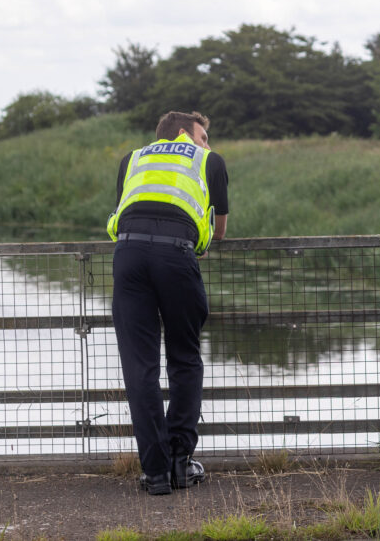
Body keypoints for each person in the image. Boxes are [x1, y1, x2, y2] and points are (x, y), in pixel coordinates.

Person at [106, 110, 229, 496]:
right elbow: (218, 231)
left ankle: (155, 473)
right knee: (185, 357)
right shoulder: (209, 161)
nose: (207, 143)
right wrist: (197, 241)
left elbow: (121, 211)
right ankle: (180, 462)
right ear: (181, 133)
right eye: (203, 135)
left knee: (140, 366)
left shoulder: (132, 159)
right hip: (175, 256)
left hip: (128, 256)